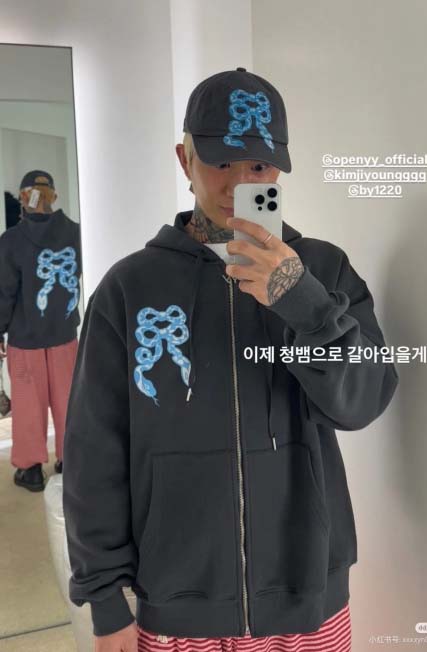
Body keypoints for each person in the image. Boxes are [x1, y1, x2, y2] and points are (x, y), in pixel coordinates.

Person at [63, 68, 399, 652]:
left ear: (280, 168)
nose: (240, 182)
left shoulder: (324, 270)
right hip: (176, 606)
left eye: (260, 166)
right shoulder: (128, 288)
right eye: (221, 161)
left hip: (306, 599)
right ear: (185, 159)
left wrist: (304, 302)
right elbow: (95, 448)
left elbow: (362, 403)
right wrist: (104, 596)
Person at [0, 170, 82, 491]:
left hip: (26, 339)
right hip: (64, 335)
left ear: (23, 198)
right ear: (54, 197)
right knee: (67, 400)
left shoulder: (11, 241)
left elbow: (4, 292)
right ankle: (69, 460)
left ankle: (31, 470)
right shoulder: (75, 232)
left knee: (28, 406)